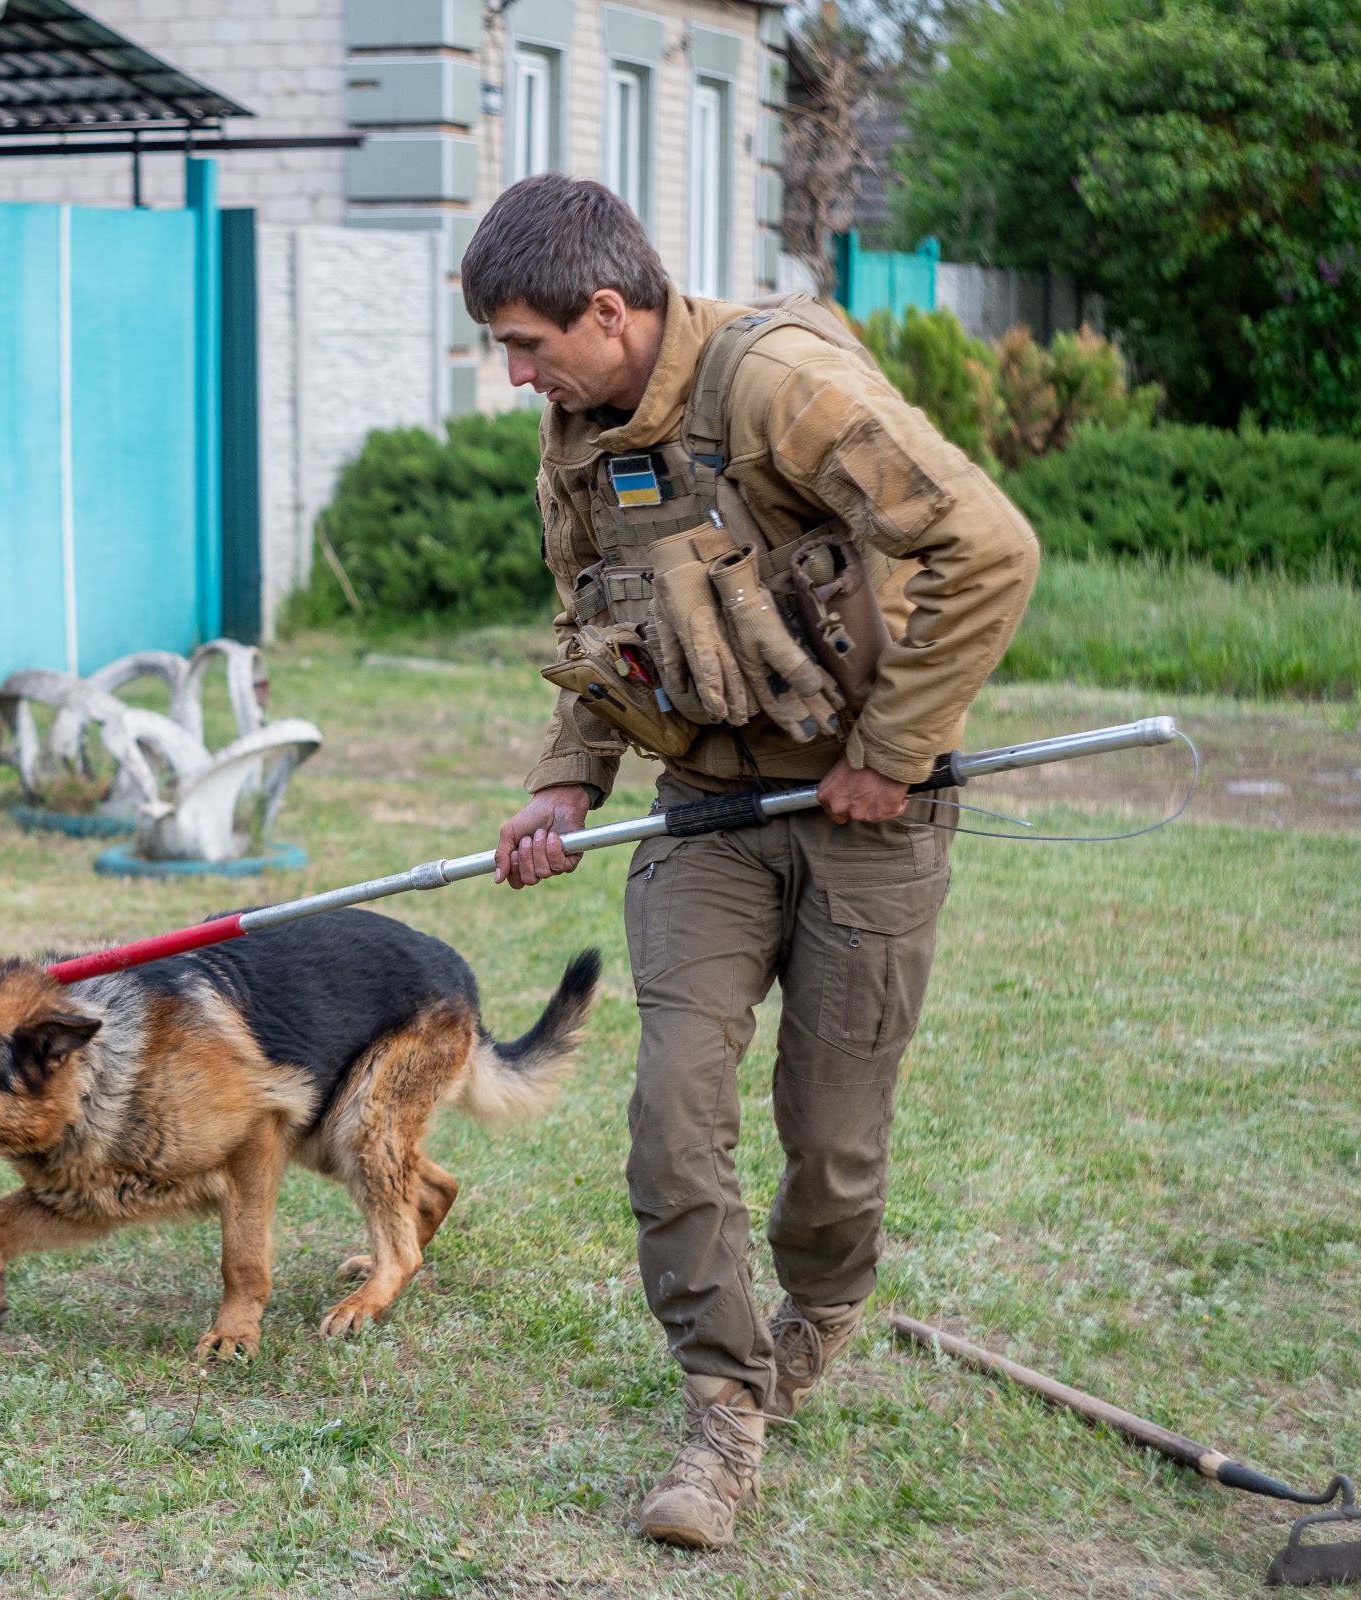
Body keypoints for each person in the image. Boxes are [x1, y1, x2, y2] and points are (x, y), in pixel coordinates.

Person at [460, 176, 1039, 1550]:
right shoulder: (577, 434)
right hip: (707, 814)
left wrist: (891, 750)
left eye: (529, 342)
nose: (515, 373)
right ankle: (723, 1411)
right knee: (674, 1110)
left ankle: (822, 1306)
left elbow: (990, 547)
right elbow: (602, 620)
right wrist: (564, 778)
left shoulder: (779, 388)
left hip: (865, 818)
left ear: (610, 311)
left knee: (831, 1145)